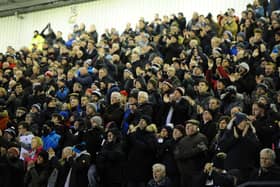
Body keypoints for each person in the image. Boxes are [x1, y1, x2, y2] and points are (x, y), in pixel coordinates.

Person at [174, 119, 208, 187]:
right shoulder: (183, 140)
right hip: (183, 174)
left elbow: (198, 151)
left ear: (197, 127)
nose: (188, 128)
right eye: (187, 126)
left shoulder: (202, 138)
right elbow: (176, 154)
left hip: (196, 173)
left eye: (191, 126)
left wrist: (183, 155)